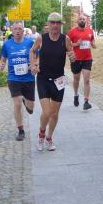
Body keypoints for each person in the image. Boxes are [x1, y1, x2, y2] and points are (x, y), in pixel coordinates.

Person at [29, 12, 75, 151]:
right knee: (47, 111)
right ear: (48, 24)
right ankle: (41, 134)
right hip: (43, 79)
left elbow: (72, 55)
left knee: (54, 113)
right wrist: (33, 65)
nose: (55, 25)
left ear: (61, 24)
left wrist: (73, 57)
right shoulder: (41, 39)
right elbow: (32, 51)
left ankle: (49, 137)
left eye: (57, 23)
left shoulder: (65, 39)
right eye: (52, 23)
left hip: (59, 80)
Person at [0, 21, 36, 141]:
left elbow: (37, 56)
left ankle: (26, 101)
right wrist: (1, 65)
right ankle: (20, 130)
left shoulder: (30, 43)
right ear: (12, 31)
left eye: (20, 29)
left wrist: (34, 65)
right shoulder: (7, 44)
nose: (18, 31)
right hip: (13, 78)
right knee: (17, 103)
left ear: (23, 31)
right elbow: (3, 59)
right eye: (15, 29)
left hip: (29, 78)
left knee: (31, 109)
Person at [67, 12, 96, 110]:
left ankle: (86, 101)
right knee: (76, 79)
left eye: (84, 19)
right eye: (80, 19)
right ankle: (76, 95)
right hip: (76, 59)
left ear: (86, 21)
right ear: (77, 21)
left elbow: (92, 41)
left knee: (87, 80)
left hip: (87, 58)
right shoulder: (72, 32)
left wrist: (93, 44)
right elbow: (67, 44)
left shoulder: (90, 31)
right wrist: (76, 44)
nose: (82, 20)